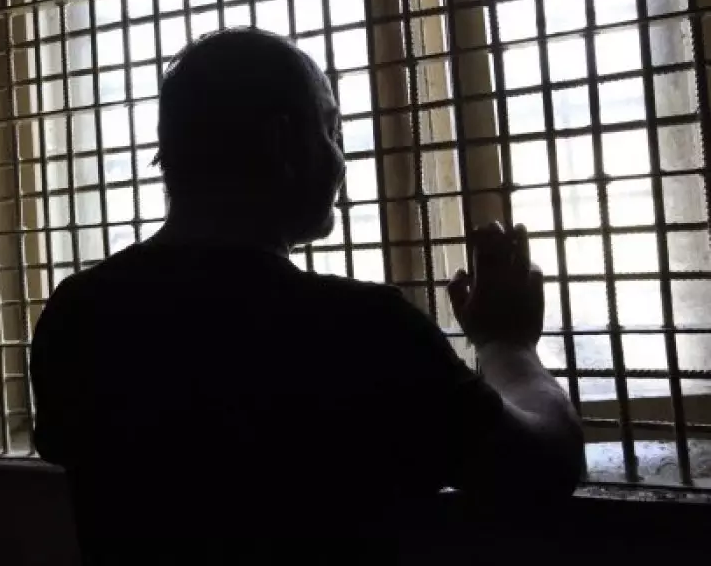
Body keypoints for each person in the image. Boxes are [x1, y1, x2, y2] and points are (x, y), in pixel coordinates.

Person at [31, 28, 583, 561]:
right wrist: (506, 344)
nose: (341, 159)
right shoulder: (361, 331)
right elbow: (543, 466)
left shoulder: (79, 314)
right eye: (330, 129)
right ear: (282, 141)